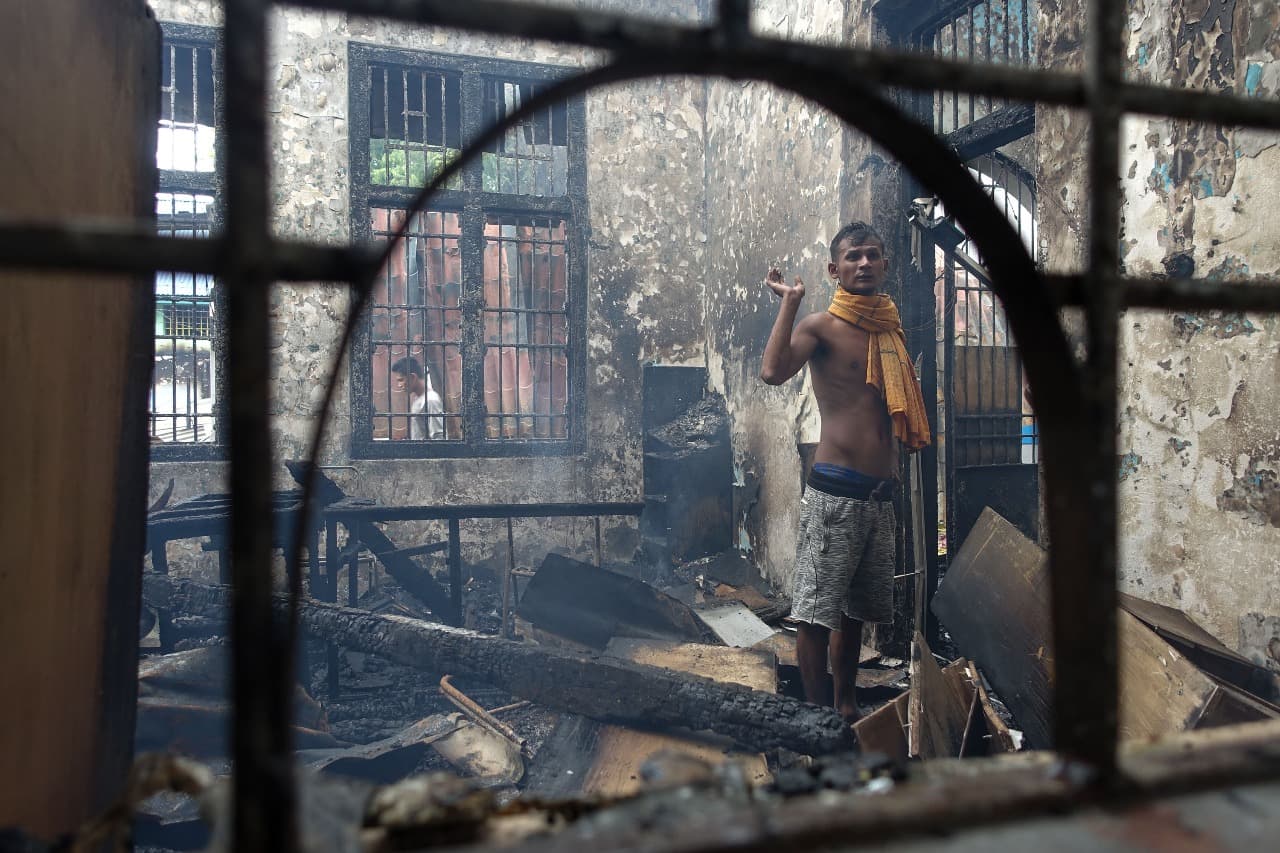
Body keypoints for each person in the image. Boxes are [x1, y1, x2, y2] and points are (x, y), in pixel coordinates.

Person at [760, 221, 932, 723]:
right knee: (816, 612)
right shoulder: (821, 326)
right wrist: (789, 301)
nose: (864, 264)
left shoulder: (890, 328)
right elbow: (772, 372)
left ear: (885, 264)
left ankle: (845, 701)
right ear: (835, 269)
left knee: (855, 611)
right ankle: (816, 716)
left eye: (872, 255)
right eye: (853, 256)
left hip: (880, 495)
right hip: (836, 491)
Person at [391, 356, 445, 440]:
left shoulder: (431, 400)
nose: (399, 385)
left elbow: (439, 438)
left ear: (413, 377)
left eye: (401, 380)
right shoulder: (419, 399)